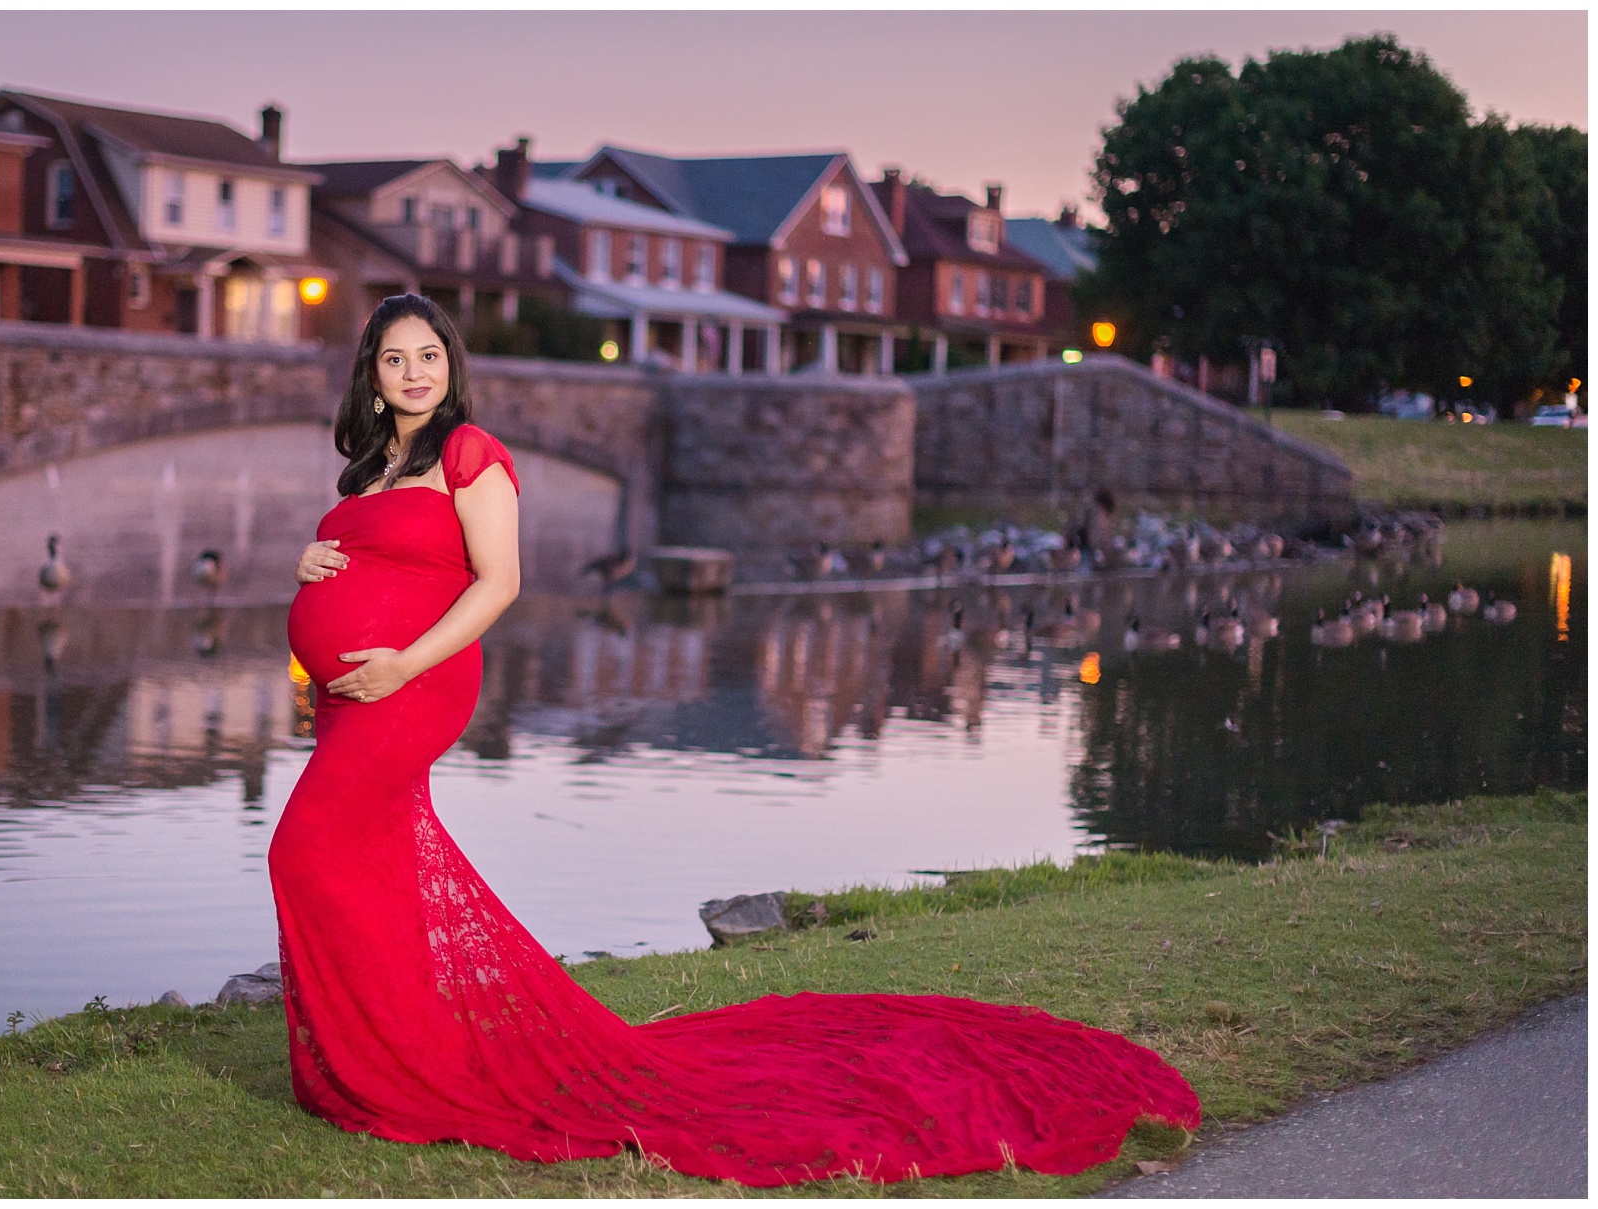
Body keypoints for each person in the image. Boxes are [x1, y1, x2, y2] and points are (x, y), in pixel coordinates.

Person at [274, 294, 1199, 1187]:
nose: (412, 372)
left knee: (303, 847)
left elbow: (499, 582)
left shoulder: (470, 452)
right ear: (373, 371)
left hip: (416, 684)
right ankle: (398, 1044)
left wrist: (400, 664)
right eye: (394, 358)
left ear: (451, 365)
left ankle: (385, 1059)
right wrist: (315, 562)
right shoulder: (369, 468)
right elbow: (375, 557)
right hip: (356, 695)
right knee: (373, 856)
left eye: (427, 355)